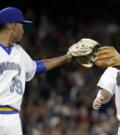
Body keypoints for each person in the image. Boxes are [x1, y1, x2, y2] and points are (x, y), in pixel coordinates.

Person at [0, 7, 73, 135]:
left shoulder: (19, 52)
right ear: (11, 24)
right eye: (21, 25)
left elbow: (36, 67)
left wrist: (66, 57)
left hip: (13, 118)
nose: (23, 30)